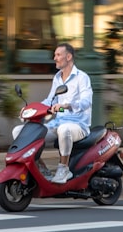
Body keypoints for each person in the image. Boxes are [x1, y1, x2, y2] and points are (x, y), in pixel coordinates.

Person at [22, 42, 93, 183]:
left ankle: (64, 169)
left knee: (64, 129)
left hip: (78, 125)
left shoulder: (82, 77)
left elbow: (86, 102)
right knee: (22, 132)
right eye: (55, 55)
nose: (55, 58)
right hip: (58, 122)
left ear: (68, 56)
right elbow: (50, 101)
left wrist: (67, 105)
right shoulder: (57, 78)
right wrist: (30, 110)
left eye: (58, 55)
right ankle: (40, 167)